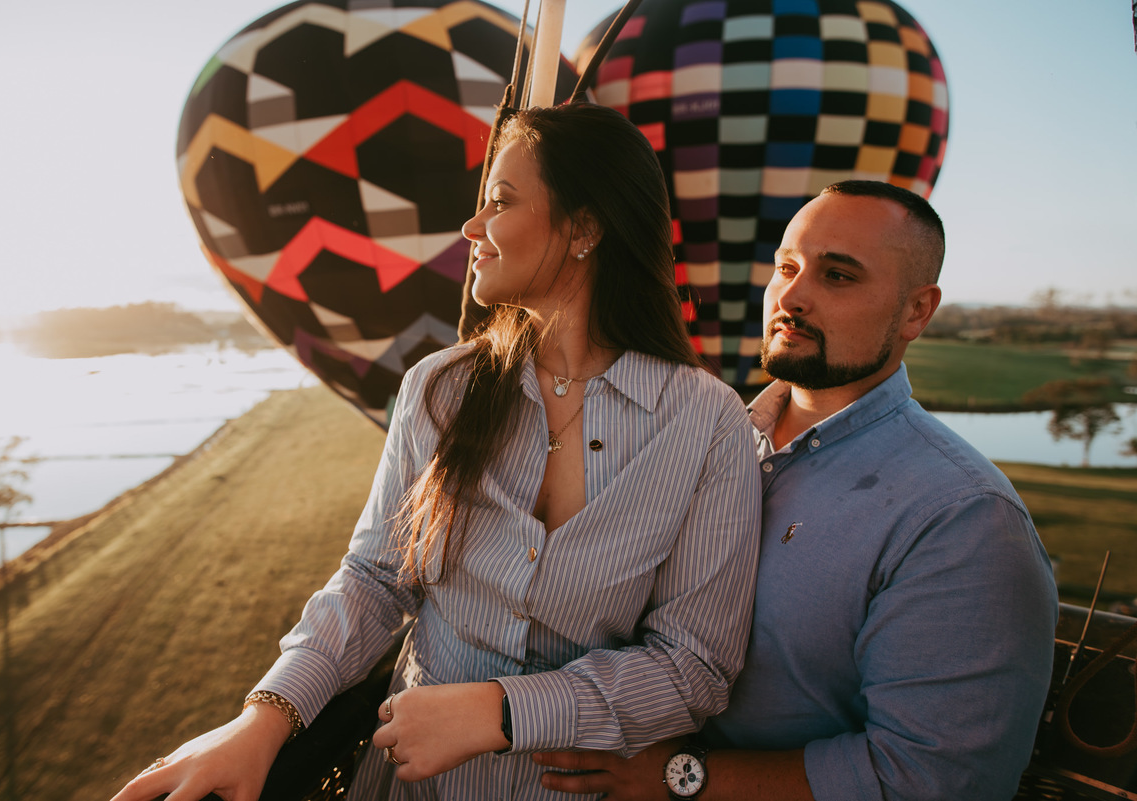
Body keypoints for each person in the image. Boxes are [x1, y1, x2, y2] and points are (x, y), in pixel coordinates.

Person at [110, 102, 761, 801]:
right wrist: (265, 716)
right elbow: (373, 579)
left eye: (500, 202)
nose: (471, 228)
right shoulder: (441, 389)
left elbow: (694, 667)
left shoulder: (707, 424)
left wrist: (502, 711)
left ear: (584, 229)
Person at [535, 180, 1059, 800]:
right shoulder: (697, 439)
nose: (792, 296)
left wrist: (681, 777)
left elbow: (934, 781)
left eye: (838, 276)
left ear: (917, 311)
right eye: (786, 268)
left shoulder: (962, 517)